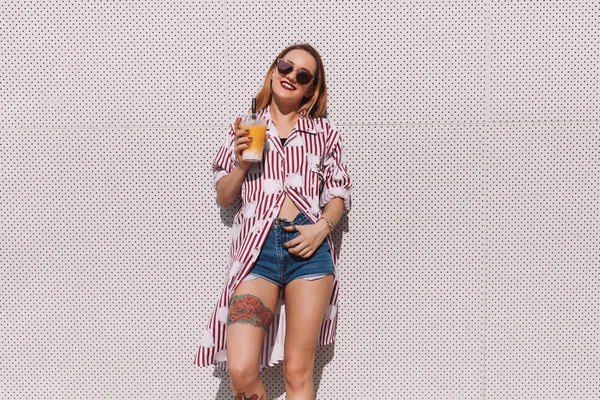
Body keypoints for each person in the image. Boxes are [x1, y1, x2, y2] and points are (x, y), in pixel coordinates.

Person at [194, 43, 352, 400]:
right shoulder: (246, 125)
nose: (291, 76)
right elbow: (224, 195)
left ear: (311, 88)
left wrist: (321, 228)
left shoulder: (324, 134)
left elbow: (338, 194)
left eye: (303, 75)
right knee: (241, 369)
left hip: (308, 250)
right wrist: (243, 162)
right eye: (285, 66)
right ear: (273, 70)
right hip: (256, 252)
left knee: (298, 371)